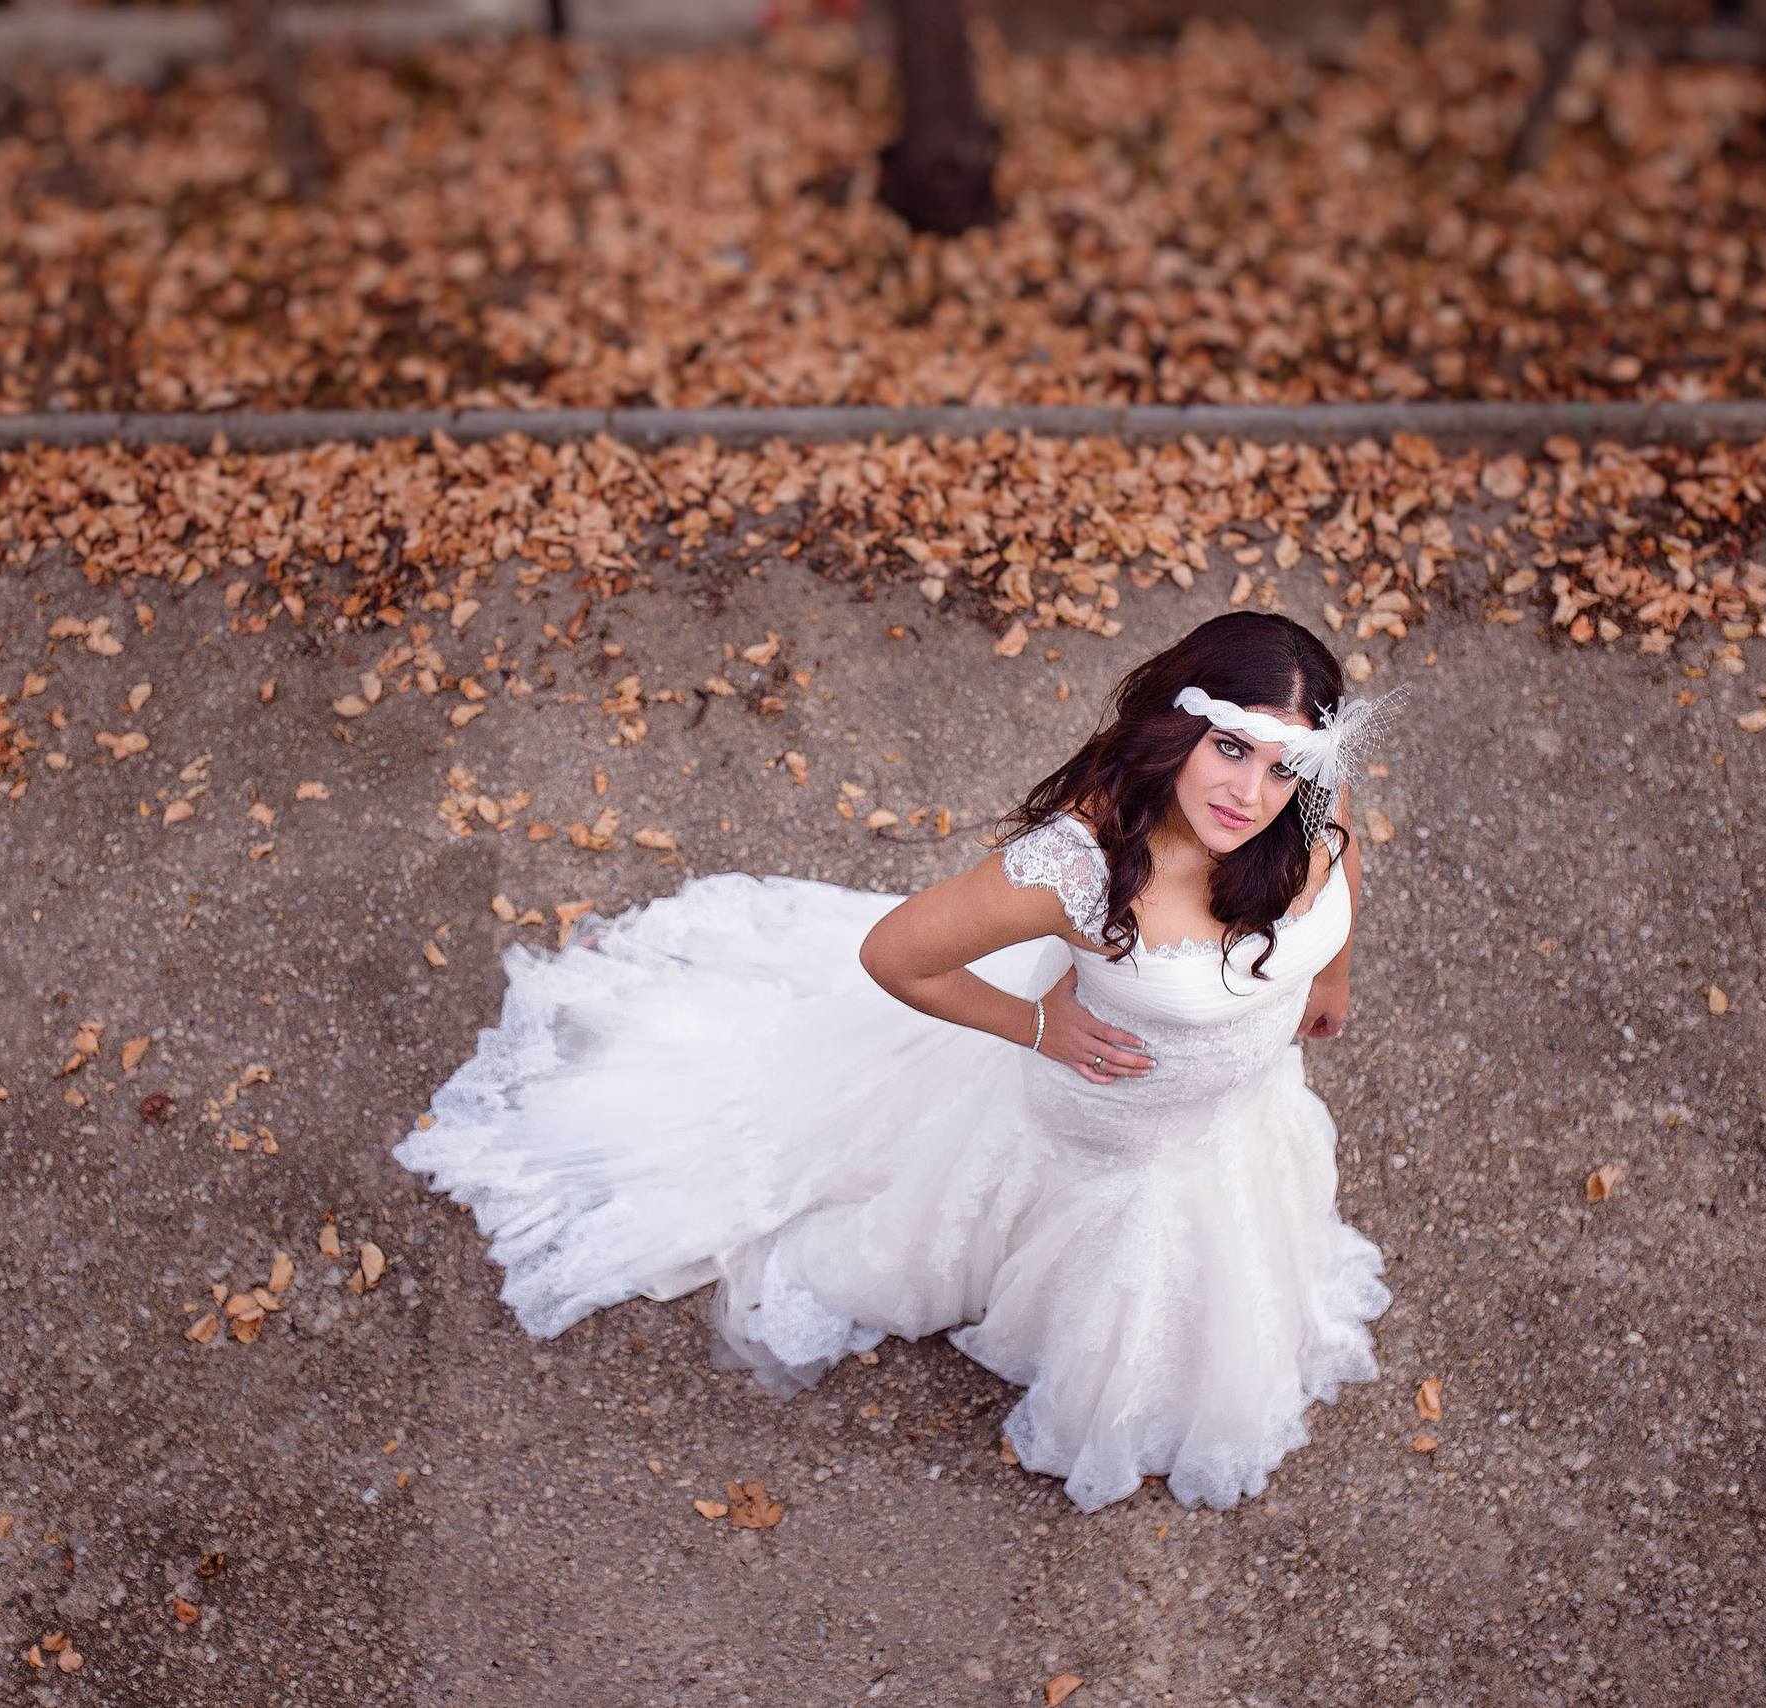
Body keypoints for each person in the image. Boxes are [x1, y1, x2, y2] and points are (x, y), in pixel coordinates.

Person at [397, 611, 1393, 1512]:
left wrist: (1329, 978)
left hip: (1236, 1105)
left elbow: (1338, 848)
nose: (1250, 792)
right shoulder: (1086, 863)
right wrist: (1035, 1025)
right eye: (1227, 748)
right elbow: (897, 954)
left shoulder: (1302, 799)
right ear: (1179, 729)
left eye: (1280, 766)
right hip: (1114, 1129)